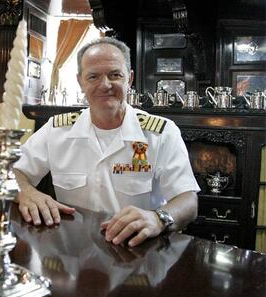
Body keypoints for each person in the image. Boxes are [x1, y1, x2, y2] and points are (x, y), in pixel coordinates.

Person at [13, 37, 200, 247]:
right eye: (93, 76)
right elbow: (13, 172)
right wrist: (27, 192)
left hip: (137, 252)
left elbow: (188, 201)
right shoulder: (56, 130)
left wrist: (159, 218)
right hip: (74, 250)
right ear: (80, 81)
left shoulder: (161, 133)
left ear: (129, 79)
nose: (105, 85)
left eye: (115, 75)